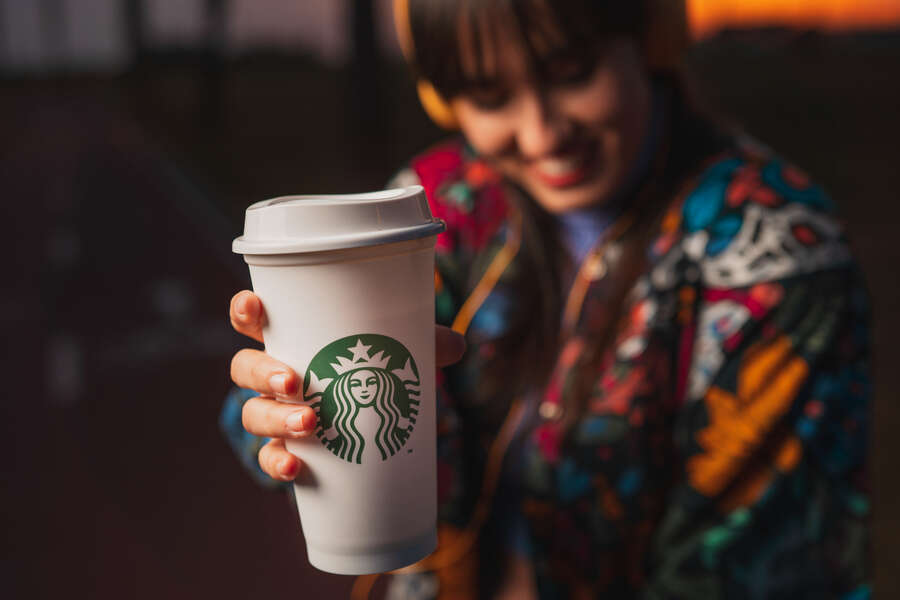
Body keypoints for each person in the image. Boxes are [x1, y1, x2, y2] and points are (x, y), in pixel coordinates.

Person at [222, 0, 872, 598]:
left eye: (572, 72)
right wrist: (286, 411)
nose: (540, 136)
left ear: (651, 35)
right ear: (444, 99)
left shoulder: (778, 252)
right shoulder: (441, 203)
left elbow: (746, 568)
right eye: (488, 95)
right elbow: (396, 447)